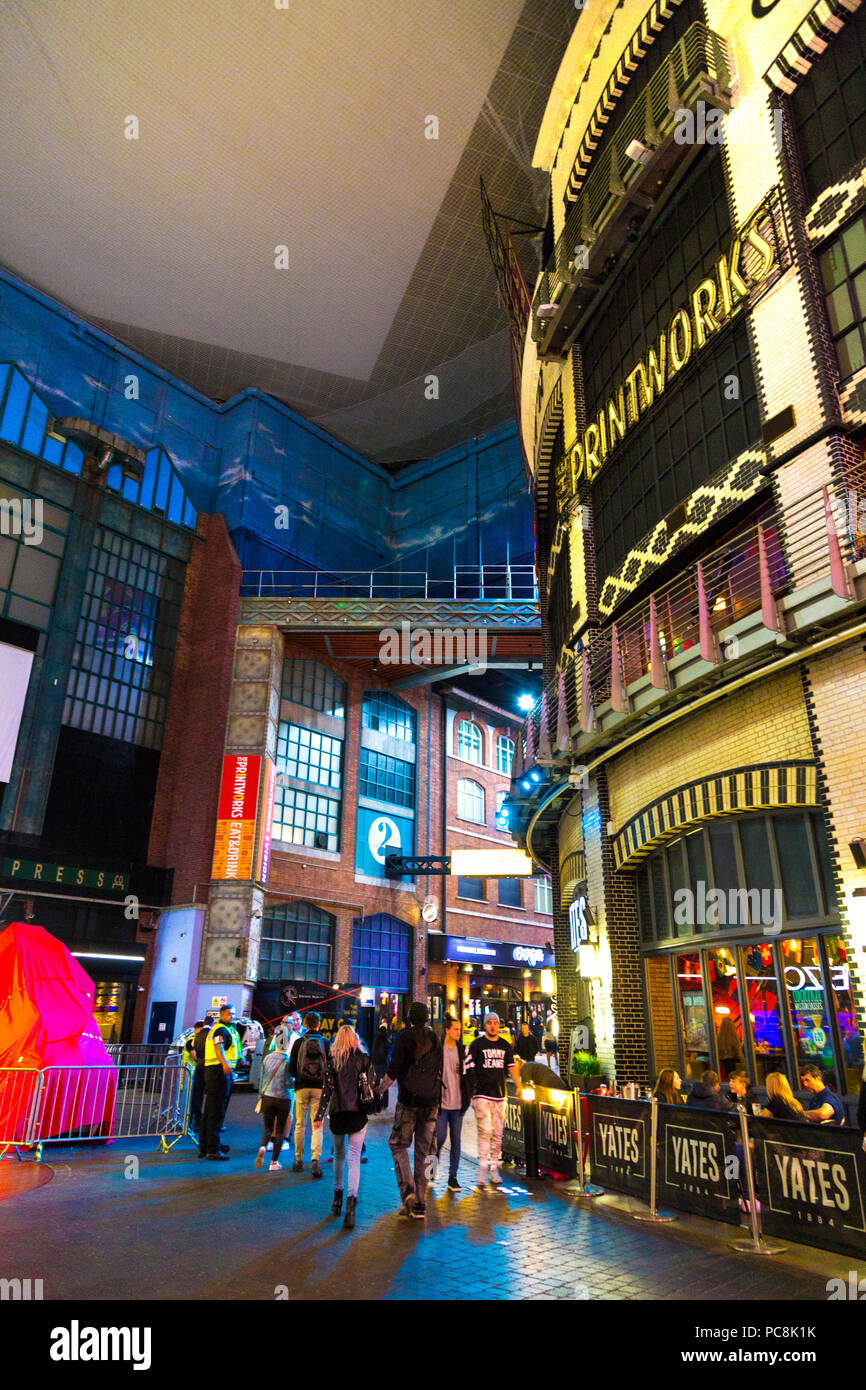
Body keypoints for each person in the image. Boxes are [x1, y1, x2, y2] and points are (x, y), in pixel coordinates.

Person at [377, 1001, 442, 1220]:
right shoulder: (435, 1039)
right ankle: (421, 1204)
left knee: (397, 1144)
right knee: (423, 1153)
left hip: (408, 1102)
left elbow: (392, 1072)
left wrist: (378, 1091)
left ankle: (408, 1192)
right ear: (427, 1018)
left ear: (409, 1018)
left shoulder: (403, 1039)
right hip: (431, 1103)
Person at [315, 1023, 377, 1230]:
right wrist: (375, 1106)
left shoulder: (332, 1061)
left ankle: (337, 1198)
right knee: (354, 1158)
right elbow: (372, 1085)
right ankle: (352, 1204)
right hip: (358, 1114)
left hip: (338, 1113)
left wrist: (319, 1115)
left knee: (339, 1155)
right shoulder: (364, 1059)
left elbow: (327, 1090)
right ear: (355, 1039)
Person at [466, 1011, 520, 1189]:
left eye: (495, 1023)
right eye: (489, 1023)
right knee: (485, 1130)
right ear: (485, 1025)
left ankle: (494, 1167)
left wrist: (519, 1085)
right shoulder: (477, 1044)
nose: (492, 1025)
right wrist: (469, 1088)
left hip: (500, 1094)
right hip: (481, 1093)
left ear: (499, 1025)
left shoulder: (505, 1046)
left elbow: (512, 1068)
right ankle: (483, 1166)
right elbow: (467, 1067)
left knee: (497, 1133)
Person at [289, 1011, 331, 1175]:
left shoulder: (299, 1042)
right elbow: (330, 1068)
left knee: (300, 1124)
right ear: (319, 1024)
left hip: (301, 1087)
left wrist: (300, 1077)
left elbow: (292, 1068)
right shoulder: (326, 1043)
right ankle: (315, 1160)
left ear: (305, 1024)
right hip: (319, 1089)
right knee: (317, 1125)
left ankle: (298, 1159)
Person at [434, 1015, 470, 1191]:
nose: (459, 1032)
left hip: (458, 1104)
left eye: (460, 1029)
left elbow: (470, 1074)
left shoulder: (463, 1050)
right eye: (456, 1029)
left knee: (456, 1141)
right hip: (441, 1104)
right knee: (438, 1139)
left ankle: (453, 1177)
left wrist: (467, 1098)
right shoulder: (438, 1050)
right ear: (447, 1030)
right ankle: (430, 1172)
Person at [199, 1005, 240, 1161]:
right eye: (230, 1014)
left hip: (214, 1072)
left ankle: (206, 1145)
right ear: (222, 1015)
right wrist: (225, 1064)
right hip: (218, 1073)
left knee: (210, 1111)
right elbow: (219, 1046)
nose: (232, 1017)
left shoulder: (223, 1028)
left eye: (233, 1014)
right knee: (216, 1112)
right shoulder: (221, 1029)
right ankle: (213, 1149)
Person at [255, 1035, 291, 1171]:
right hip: (283, 1098)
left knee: (267, 1128)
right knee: (280, 1130)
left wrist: (261, 1096)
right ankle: (274, 1162)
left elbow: (261, 1079)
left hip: (268, 1097)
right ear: (286, 1044)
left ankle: (263, 1146)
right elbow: (288, 1082)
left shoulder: (267, 1058)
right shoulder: (287, 1060)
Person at [185, 1021, 207, 1139]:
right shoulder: (192, 1041)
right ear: (198, 1029)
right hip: (191, 1074)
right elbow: (195, 1056)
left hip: (195, 1074)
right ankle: (193, 1122)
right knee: (194, 1099)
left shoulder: (194, 1040)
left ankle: (194, 1121)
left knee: (196, 1098)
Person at [716, 1015, 745, 1080]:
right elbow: (740, 1056)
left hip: (721, 1068)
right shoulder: (734, 1039)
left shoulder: (717, 1039)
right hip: (732, 1068)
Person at [371, 1022, 391, 1110]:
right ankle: (385, 1104)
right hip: (384, 1065)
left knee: (376, 1084)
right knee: (385, 1085)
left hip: (376, 1065)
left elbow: (373, 1053)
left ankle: (376, 1102)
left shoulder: (375, 1041)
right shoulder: (387, 1042)